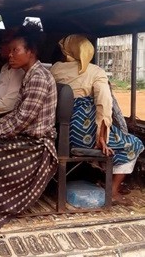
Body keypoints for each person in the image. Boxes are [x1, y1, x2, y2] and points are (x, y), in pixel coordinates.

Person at [0, 25, 58, 231]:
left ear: (31, 51)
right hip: (24, 139)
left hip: (36, 146)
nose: (10, 55)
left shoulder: (38, 78)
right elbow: (16, 113)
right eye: (9, 51)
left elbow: (23, 120)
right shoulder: (29, 75)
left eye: (15, 50)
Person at [50, 34, 144, 206]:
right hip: (83, 132)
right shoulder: (95, 72)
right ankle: (113, 192)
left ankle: (103, 180)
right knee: (135, 144)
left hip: (60, 132)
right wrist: (102, 137)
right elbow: (104, 104)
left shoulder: (55, 69)